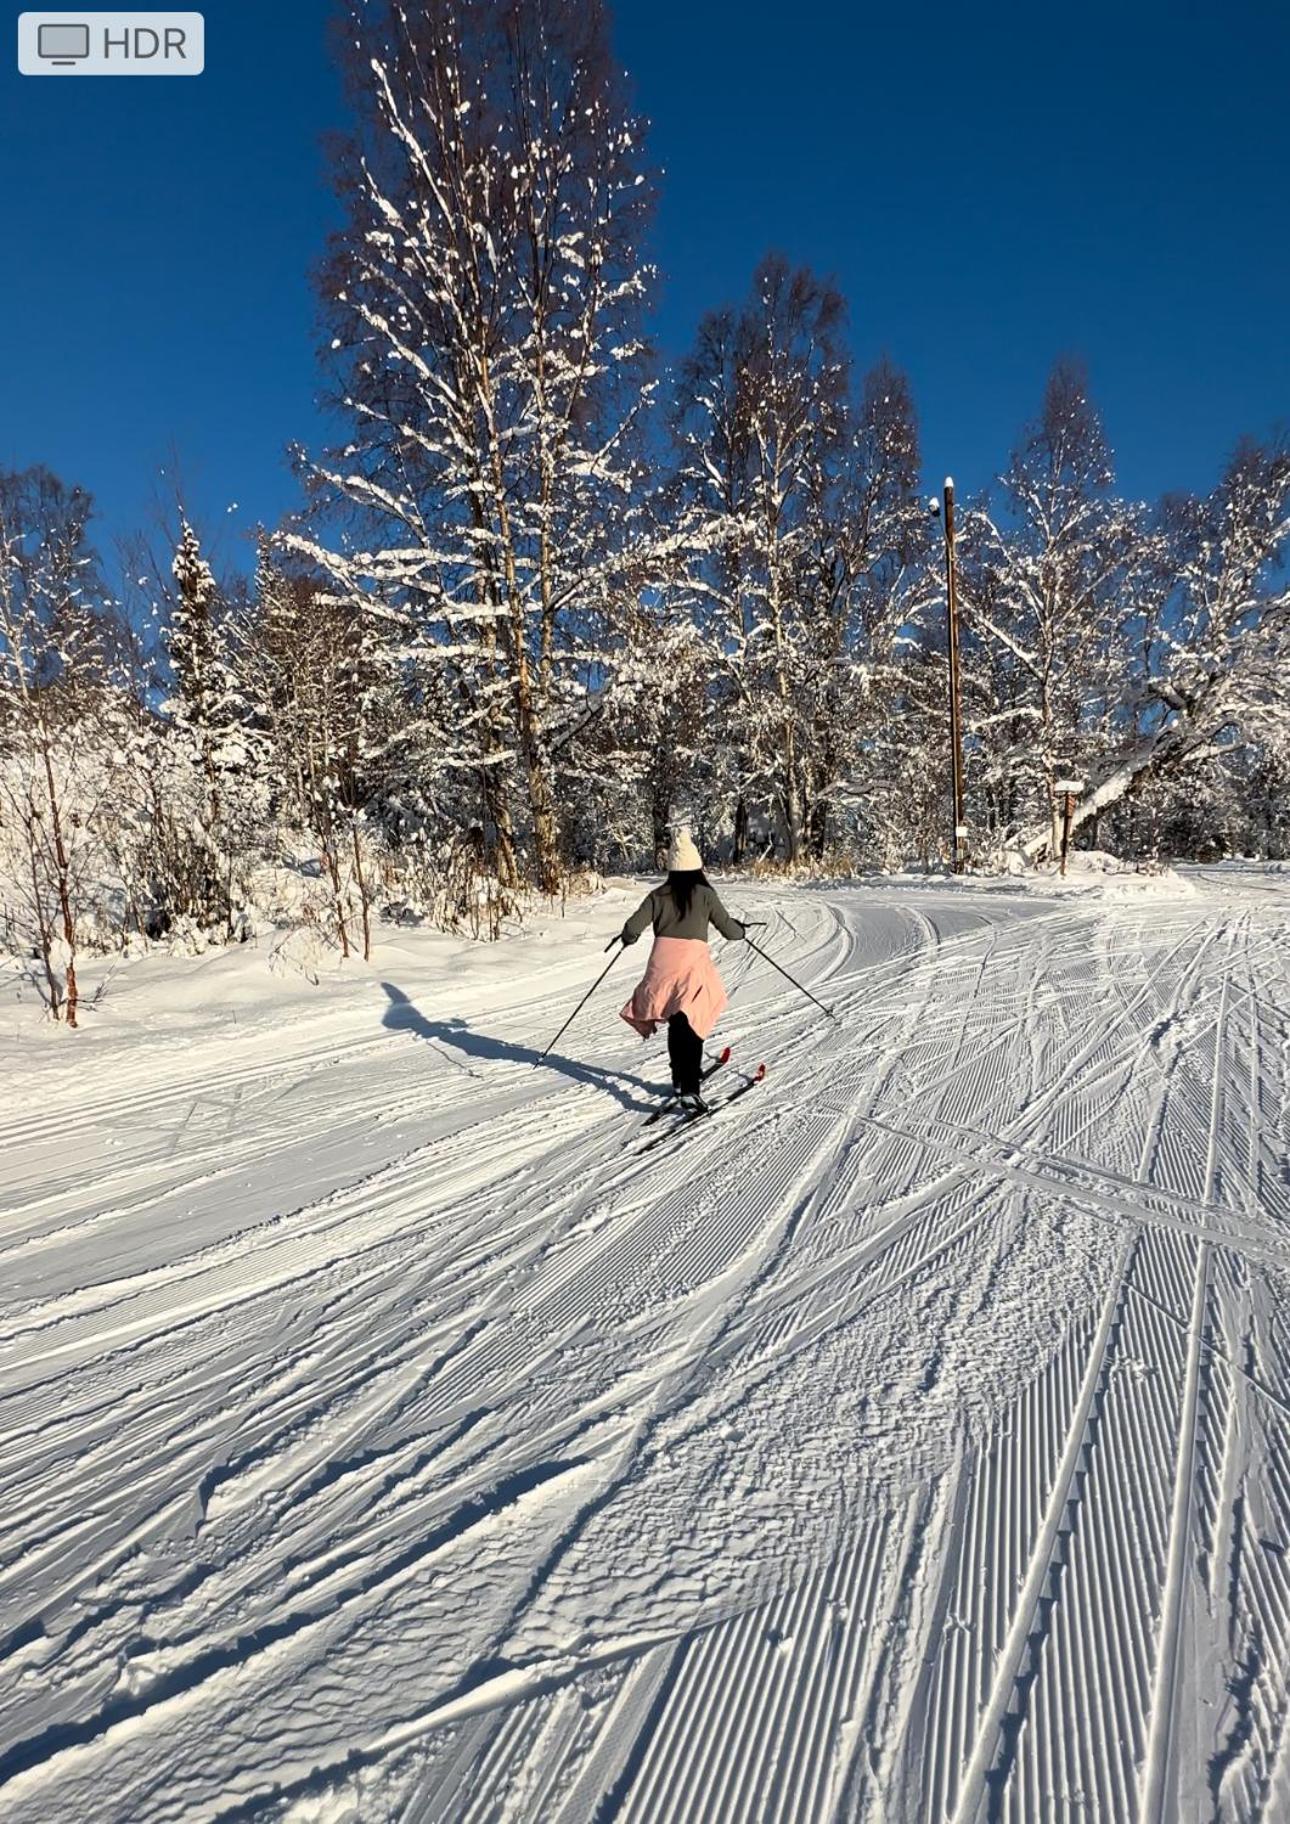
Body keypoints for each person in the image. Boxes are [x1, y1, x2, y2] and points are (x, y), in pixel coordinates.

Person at [618, 828, 746, 1105]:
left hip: (662, 965)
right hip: (692, 965)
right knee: (692, 1021)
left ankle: (679, 1079)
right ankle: (689, 1087)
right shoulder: (705, 894)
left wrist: (627, 938)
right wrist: (742, 931)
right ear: (696, 866)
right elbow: (730, 931)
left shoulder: (657, 895)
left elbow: (632, 928)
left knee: (676, 1018)